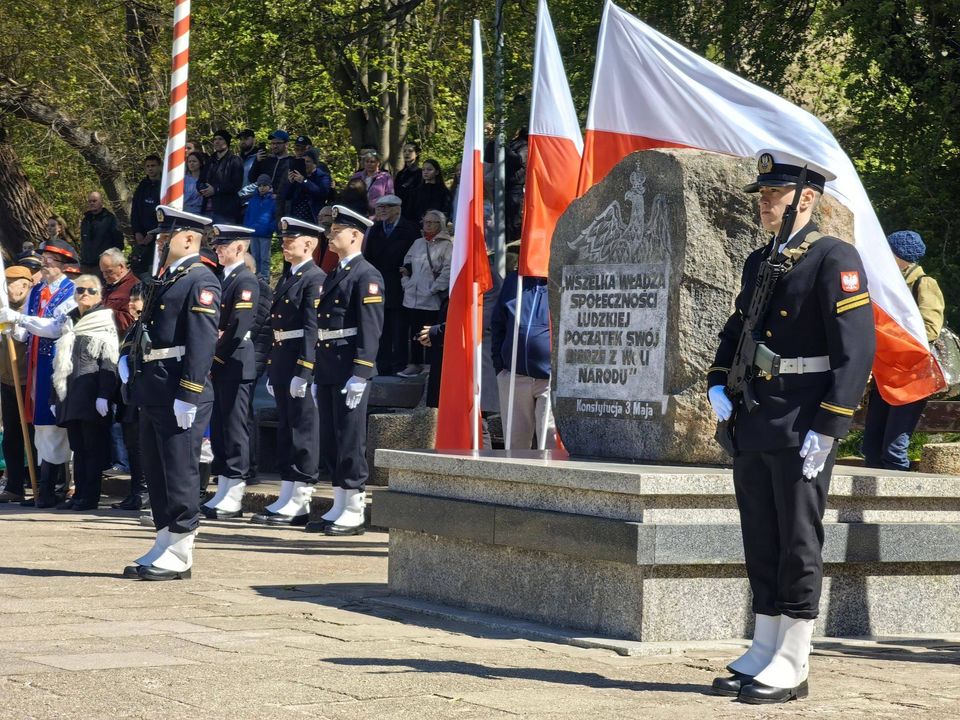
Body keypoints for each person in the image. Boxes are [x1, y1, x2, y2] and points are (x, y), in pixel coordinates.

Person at [706, 150, 875, 704]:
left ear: (805, 198)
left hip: (804, 418)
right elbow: (740, 323)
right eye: (761, 194)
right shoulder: (762, 260)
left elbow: (856, 349)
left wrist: (830, 424)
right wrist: (716, 379)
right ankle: (765, 644)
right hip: (757, 412)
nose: (762, 203)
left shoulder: (833, 258)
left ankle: (794, 658)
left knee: (799, 539)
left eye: (771, 194)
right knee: (761, 533)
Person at [119, 205, 220, 581]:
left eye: (167, 237)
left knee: (179, 470)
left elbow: (201, 341)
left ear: (189, 239)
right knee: (157, 470)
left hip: (178, 388)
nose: (161, 243)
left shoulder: (200, 280)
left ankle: (181, 550)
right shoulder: (170, 277)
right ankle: (164, 539)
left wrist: (189, 392)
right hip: (155, 387)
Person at [306, 204, 383, 536]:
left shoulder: (367, 275)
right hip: (329, 365)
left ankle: (354, 507)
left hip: (349, 366)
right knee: (333, 438)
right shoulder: (336, 273)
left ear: (355, 235)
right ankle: (339, 501)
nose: (330, 235)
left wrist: (361, 372)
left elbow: (371, 327)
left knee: (350, 438)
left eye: (336, 231)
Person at [248, 217, 324, 527]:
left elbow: (311, 327)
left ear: (309, 244)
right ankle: (289, 492)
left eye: (292, 238)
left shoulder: (314, 278)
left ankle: (301, 497)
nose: (285, 242)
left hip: (297, 360)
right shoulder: (290, 276)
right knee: (286, 430)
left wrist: (304, 370)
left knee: (302, 430)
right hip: (282, 360)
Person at [0, 238, 79, 508]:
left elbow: (55, 327)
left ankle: (54, 486)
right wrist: (11, 327)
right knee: (40, 426)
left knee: (54, 425)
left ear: (64, 266)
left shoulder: (72, 290)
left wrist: (20, 318)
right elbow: (28, 331)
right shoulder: (37, 291)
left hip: (58, 366)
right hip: (35, 365)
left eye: (50, 261)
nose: (44, 265)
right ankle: (43, 486)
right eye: (43, 260)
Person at [861, 231, 944, 471]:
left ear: (900, 257)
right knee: (871, 446)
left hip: (911, 375)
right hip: (885, 373)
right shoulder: (886, 283)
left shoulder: (924, 283)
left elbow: (930, 330)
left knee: (894, 449)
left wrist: (889, 338)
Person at [201, 224, 260, 519]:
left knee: (235, 428)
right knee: (222, 428)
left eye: (222, 245)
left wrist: (214, 357)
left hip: (234, 362)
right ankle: (223, 485)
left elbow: (237, 327)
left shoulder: (245, 280)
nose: (217, 250)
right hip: (220, 363)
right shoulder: (222, 278)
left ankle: (235, 491)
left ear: (239, 247)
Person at [51, 275, 118, 511]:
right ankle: (78, 493)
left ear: (99, 294)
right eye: (80, 289)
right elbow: (59, 362)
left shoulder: (104, 320)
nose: (85, 294)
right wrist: (54, 396)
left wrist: (104, 394)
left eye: (91, 290)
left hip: (91, 394)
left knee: (93, 448)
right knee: (77, 448)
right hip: (70, 394)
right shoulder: (69, 321)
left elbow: (109, 361)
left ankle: (90, 496)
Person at [491, 272, 556, 450]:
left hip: (550, 380)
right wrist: (500, 366)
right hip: (514, 377)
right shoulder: (514, 280)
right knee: (515, 446)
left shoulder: (562, 276)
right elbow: (498, 323)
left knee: (551, 444)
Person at [363, 194, 420, 374]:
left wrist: (407, 271)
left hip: (400, 282)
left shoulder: (409, 228)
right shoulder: (376, 228)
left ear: (397, 208)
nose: (382, 210)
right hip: (379, 281)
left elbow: (416, 255)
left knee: (400, 327)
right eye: (379, 207)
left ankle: (399, 364)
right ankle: (383, 365)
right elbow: (369, 256)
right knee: (381, 326)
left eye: (386, 206)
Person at [398, 210, 451, 377]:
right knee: (414, 332)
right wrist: (406, 282)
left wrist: (434, 288)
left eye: (431, 222)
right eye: (425, 222)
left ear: (440, 225)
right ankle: (414, 363)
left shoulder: (447, 246)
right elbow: (407, 262)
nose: (426, 225)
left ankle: (430, 365)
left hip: (431, 298)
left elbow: (448, 270)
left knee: (429, 332)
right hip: (412, 296)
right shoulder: (418, 242)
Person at [0, 265, 37, 504]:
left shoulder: (33, 310)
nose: (5, 289)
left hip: (30, 381)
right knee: (12, 435)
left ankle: (41, 482)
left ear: (24, 284)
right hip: (7, 380)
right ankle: (14, 485)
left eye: (9, 283)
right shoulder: (2, 310)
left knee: (36, 434)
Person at [110, 282, 148, 511]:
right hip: (129, 393)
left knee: (141, 446)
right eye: (131, 300)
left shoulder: (148, 326)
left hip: (142, 391)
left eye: (136, 300)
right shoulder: (135, 326)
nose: (131, 304)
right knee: (132, 444)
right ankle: (136, 490)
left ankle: (143, 491)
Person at [243, 252, 274, 485]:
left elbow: (252, 323)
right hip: (241, 357)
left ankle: (249, 466)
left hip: (252, 357)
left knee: (244, 415)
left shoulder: (260, 289)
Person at [249, 130, 294, 222]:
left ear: (286, 144)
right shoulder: (266, 160)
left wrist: (279, 195)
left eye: (278, 143)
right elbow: (252, 178)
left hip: (282, 205)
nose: (274, 146)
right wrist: (257, 162)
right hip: (263, 203)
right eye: (272, 143)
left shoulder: (291, 161)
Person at [201, 130, 245, 223]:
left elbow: (236, 185)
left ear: (227, 142)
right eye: (215, 139)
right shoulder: (210, 161)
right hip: (207, 209)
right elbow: (201, 180)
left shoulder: (235, 160)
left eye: (220, 139)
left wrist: (216, 189)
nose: (217, 142)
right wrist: (202, 188)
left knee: (223, 237)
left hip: (226, 211)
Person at [130, 154, 163, 278]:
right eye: (148, 166)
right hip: (142, 237)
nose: (150, 169)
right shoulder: (142, 186)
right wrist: (137, 231)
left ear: (159, 167)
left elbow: (165, 212)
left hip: (158, 236)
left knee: (154, 270)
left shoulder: (164, 186)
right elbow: (135, 210)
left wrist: (153, 233)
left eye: (153, 166)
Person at [79, 192, 124, 275]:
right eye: (90, 201)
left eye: (94, 201)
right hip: (86, 265)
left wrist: (110, 261)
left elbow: (119, 243)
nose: (92, 203)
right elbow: (83, 241)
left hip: (102, 266)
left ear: (101, 202)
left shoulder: (110, 219)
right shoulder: (85, 220)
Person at [243, 175, 277, 280]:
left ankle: (265, 278)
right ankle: (255, 276)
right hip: (253, 232)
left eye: (265, 185)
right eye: (260, 185)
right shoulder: (253, 200)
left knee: (264, 258)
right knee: (254, 256)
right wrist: (247, 228)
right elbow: (247, 215)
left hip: (265, 234)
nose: (262, 188)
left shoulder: (273, 200)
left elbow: (276, 216)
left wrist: (270, 228)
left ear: (269, 186)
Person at [286, 148, 333, 222]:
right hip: (296, 216)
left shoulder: (323, 176)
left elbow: (323, 193)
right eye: (303, 161)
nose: (305, 164)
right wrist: (290, 182)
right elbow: (287, 196)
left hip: (313, 216)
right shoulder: (298, 175)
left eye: (308, 161)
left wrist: (304, 181)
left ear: (315, 164)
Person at [408, 158, 452, 224]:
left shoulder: (444, 192)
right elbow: (409, 212)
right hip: (416, 228)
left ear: (437, 172)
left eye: (429, 169)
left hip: (437, 228)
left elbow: (446, 212)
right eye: (423, 170)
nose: (425, 172)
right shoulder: (415, 191)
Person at [394, 142, 422, 220]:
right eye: (404, 151)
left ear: (416, 153)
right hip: (400, 212)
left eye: (410, 151)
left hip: (415, 214)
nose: (407, 153)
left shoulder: (421, 173)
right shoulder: (400, 174)